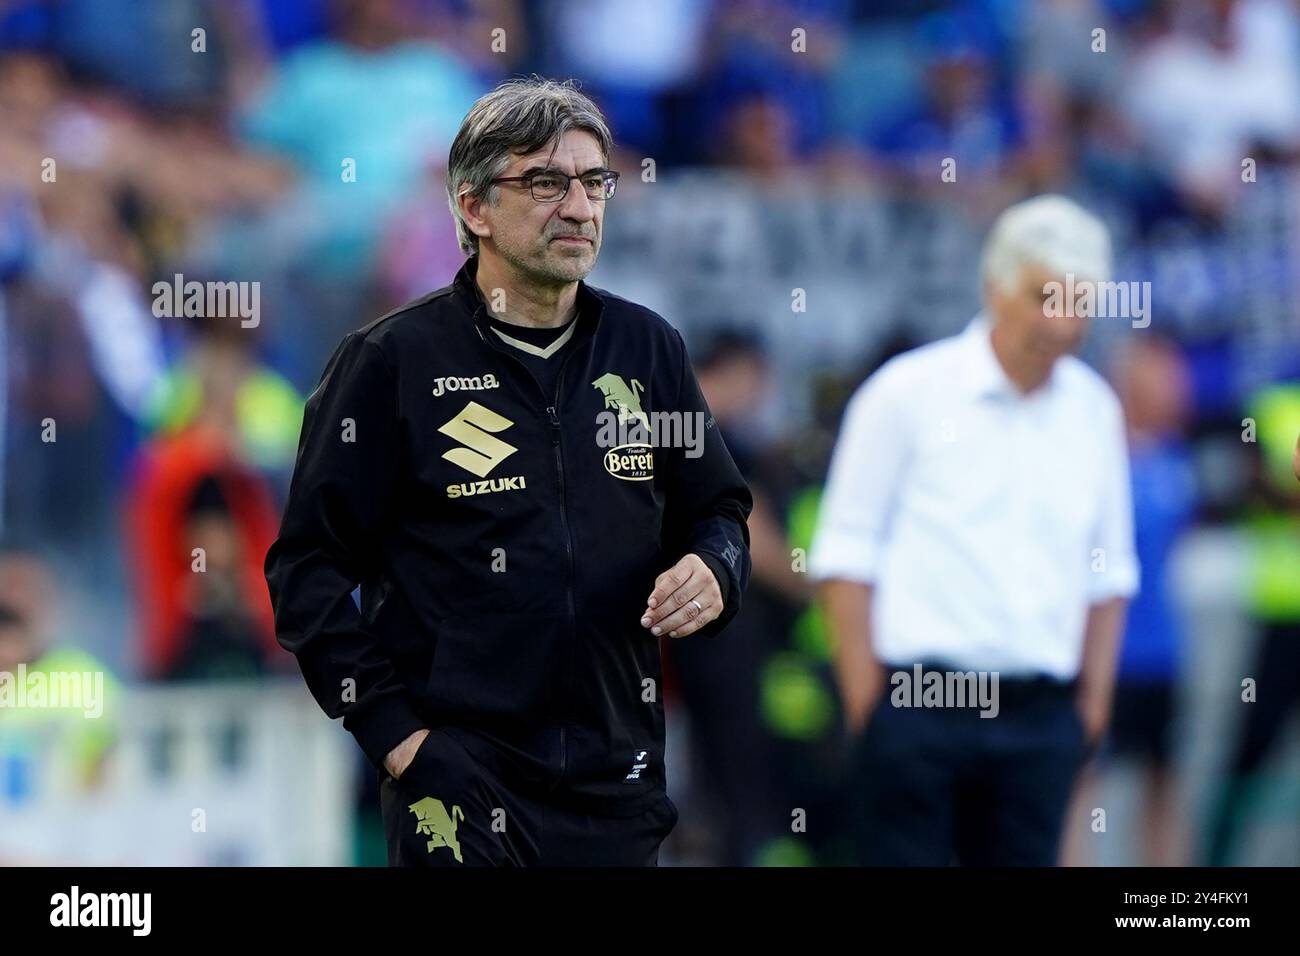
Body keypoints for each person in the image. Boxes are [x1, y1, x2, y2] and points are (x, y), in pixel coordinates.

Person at [264, 77, 752, 867]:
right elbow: (307, 570)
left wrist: (715, 569)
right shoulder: (390, 363)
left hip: (616, 784)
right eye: (545, 182)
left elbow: (718, 511)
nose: (580, 207)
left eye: (595, 182)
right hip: (458, 785)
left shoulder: (647, 349)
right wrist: (399, 740)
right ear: (474, 207)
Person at [810, 194, 1139, 866]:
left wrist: (1089, 714)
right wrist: (869, 707)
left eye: (1079, 302)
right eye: (1044, 295)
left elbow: (1108, 574)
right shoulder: (904, 394)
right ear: (995, 286)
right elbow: (845, 556)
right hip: (917, 709)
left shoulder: (1094, 410)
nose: (1062, 321)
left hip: (1040, 716)